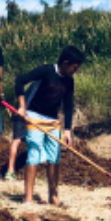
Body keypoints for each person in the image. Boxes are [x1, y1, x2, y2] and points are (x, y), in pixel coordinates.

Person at [14, 46, 85, 207]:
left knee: (54, 157)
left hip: (53, 120)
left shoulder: (69, 80)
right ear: (66, 63)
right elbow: (20, 81)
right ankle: (28, 198)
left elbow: (68, 105)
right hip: (34, 117)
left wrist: (67, 130)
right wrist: (22, 106)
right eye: (75, 67)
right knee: (34, 153)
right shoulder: (46, 71)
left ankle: (54, 196)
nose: (76, 70)